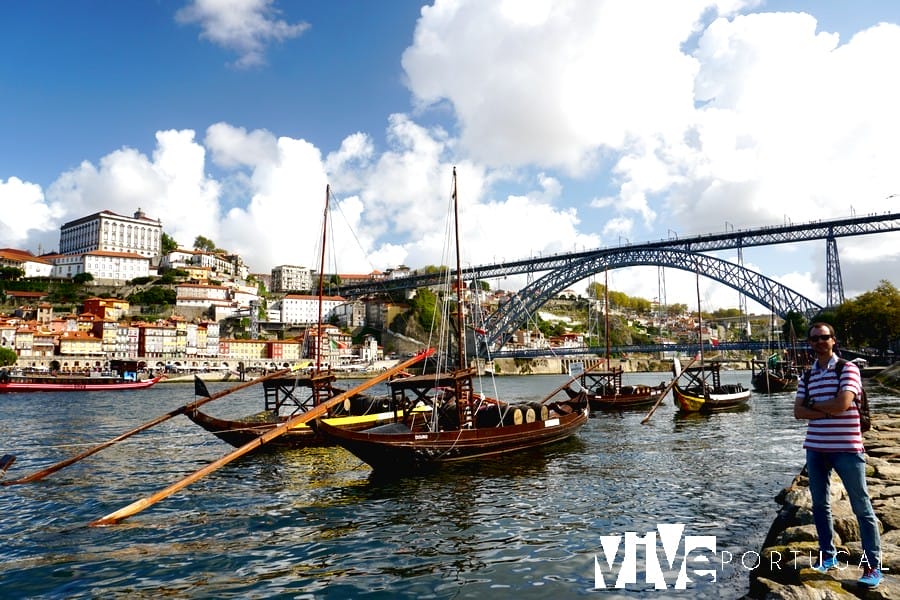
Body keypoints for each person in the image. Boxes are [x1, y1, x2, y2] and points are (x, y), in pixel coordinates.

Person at [794, 322, 883, 588]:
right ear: (809, 344)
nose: (820, 342)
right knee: (820, 506)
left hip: (847, 447)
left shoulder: (848, 368)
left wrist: (815, 408)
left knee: (862, 507)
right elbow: (798, 412)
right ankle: (827, 556)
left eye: (824, 337)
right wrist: (828, 410)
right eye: (814, 339)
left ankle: (872, 567)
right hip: (815, 448)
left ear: (834, 340)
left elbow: (844, 403)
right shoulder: (807, 376)